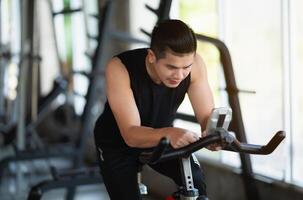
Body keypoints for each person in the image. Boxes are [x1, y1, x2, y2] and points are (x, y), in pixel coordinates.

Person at [93, 19, 217, 200]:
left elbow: (207, 117)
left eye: (186, 67)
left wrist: (214, 134)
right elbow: (130, 134)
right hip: (117, 143)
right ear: (152, 56)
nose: (180, 75)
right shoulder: (119, 68)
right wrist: (171, 133)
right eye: (171, 67)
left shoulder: (196, 65)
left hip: (162, 139)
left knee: (195, 183)